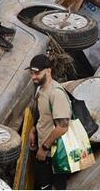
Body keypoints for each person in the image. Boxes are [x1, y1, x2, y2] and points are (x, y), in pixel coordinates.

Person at [28, 54, 71, 190]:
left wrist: (44, 148)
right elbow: (43, 116)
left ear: (48, 71)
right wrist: (33, 130)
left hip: (54, 155)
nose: (33, 77)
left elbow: (63, 127)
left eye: (37, 73)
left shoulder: (56, 93)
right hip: (43, 152)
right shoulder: (40, 90)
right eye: (31, 73)